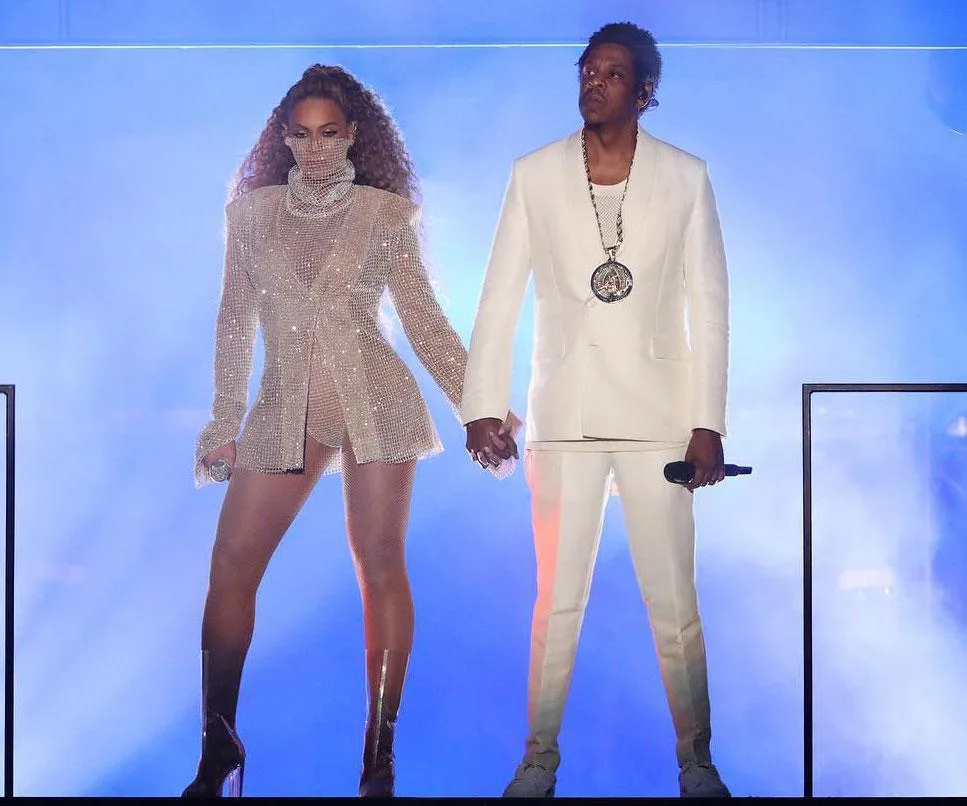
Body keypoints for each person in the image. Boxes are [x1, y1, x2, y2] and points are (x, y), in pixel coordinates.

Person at [182, 64, 518, 799]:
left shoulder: (383, 214)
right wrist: (223, 421)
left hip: (375, 397)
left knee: (380, 564)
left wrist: (481, 405)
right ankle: (218, 743)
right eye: (301, 135)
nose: (315, 148)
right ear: (282, 138)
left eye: (329, 133)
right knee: (231, 565)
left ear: (354, 135)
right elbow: (233, 322)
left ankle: (378, 754)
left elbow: (425, 322)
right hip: (286, 404)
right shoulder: (251, 215)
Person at [461, 22, 732, 799]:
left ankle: (696, 762)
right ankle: (537, 761)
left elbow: (710, 307)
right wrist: (482, 404)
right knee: (556, 604)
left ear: (643, 92)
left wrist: (707, 422)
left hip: (659, 419)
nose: (593, 81)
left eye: (612, 73)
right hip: (564, 415)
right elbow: (499, 294)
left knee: (673, 603)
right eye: (586, 69)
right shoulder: (534, 173)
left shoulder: (684, 176)